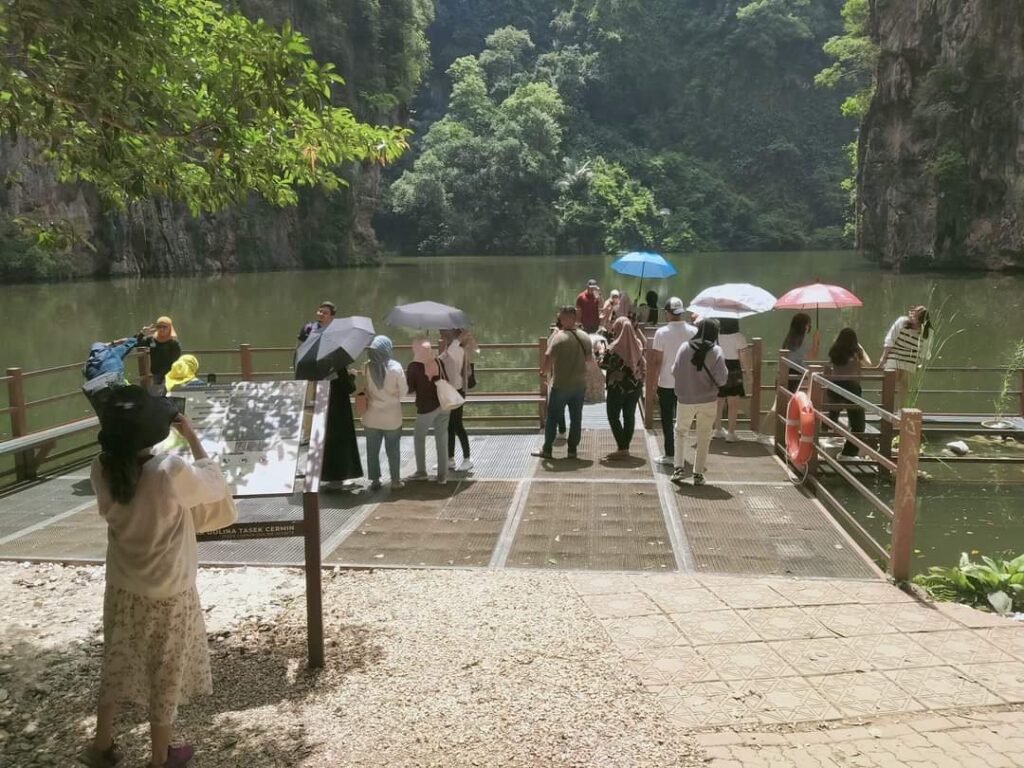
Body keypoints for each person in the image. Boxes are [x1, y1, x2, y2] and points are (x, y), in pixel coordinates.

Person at [80, 386, 234, 768]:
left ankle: (102, 745)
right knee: (165, 668)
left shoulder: (100, 468)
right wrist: (194, 438)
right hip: (169, 588)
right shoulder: (168, 470)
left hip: (122, 583)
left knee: (116, 658)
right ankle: (160, 757)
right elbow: (213, 485)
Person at [297, 302, 363, 487]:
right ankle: (336, 476)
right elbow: (343, 382)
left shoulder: (328, 348)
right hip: (333, 399)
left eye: (324, 312)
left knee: (330, 436)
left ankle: (331, 475)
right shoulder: (318, 339)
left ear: (332, 315)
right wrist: (348, 376)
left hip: (328, 396)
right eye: (319, 311)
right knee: (335, 438)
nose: (320, 314)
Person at [671, 318, 728, 487]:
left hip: (686, 398)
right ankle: (698, 473)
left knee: (681, 432)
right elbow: (722, 380)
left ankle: (678, 468)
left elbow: (674, 371)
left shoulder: (684, 347)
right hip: (708, 400)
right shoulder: (717, 351)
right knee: (704, 436)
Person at [533, 306, 592, 460]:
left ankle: (547, 450)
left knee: (552, 418)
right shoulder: (585, 337)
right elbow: (589, 361)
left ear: (566, 319)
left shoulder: (559, 338)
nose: (559, 320)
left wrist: (543, 373)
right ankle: (572, 450)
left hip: (561, 386)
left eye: (561, 318)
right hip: (579, 386)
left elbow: (548, 360)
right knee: (576, 418)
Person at [650, 297, 696, 465]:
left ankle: (670, 454)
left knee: (667, 419)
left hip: (667, 383)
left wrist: (653, 385)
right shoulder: (693, 332)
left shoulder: (661, 333)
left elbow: (656, 362)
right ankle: (681, 454)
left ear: (667, 313)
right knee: (683, 420)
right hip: (687, 383)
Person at [361, 336, 405, 490]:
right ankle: (395, 480)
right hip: (392, 417)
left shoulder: (366, 367)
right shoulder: (395, 367)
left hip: (371, 416)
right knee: (393, 450)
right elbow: (404, 392)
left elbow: (365, 387)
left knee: (372, 450)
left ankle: (375, 480)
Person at [599, 316, 646, 456]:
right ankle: (624, 446)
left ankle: (623, 447)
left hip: (617, 388)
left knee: (613, 416)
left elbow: (603, 364)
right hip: (635, 386)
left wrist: (601, 351)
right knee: (629, 415)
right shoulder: (637, 345)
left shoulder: (614, 348)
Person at [406, 339, 450, 484]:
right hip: (443, 405)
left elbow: (410, 389)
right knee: (442, 440)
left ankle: (421, 471)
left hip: (426, 408)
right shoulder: (438, 362)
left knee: (419, 437)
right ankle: (442, 475)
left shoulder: (413, 366)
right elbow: (446, 380)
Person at [827, 328, 873, 458]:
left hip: (834, 388)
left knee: (832, 415)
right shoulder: (856, 352)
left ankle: (828, 434)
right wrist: (861, 348)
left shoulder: (834, 351)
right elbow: (869, 364)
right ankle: (848, 453)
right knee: (858, 425)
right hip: (851, 389)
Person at [879, 305, 932, 411]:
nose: (912, 317)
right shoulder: (902, 322)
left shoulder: (926, 331)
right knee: (893, 382)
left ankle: (900, 411)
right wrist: (883, 358)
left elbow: (925, 351)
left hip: (910, 361)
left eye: (915, 317)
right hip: (895, 356)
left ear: (921, 320)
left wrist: (919, 364)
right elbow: (890, 339)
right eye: (913, 314)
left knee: (903, 387)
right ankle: (887, 410)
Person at [440, 328, 478, 472]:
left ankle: (467, 458)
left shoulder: (456, 349)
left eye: (443, 330)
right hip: (451, 390)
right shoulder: (451, 347)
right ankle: (450, 459)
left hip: (456, 391)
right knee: (449, 426)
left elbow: (448, 363)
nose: (440, 332)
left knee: (457, 425)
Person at [713, 318, 749, 442]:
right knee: (733, 402)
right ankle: (731, 432)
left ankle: (717, 429)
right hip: (734, 368)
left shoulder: (716, 336)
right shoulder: (739, 337)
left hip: (719, 367)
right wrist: (749, 373)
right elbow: (743, 358)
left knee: (719, 400)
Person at [136, 317, 182, 394]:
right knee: (157, 396)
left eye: (164, 327)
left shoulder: (173, 342)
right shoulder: (152, 339)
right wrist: (142, 333)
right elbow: (138, 343)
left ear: (170, 328)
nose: (161, 329)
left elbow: (176, 359)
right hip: (156, 373)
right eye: (159, 327)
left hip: (169, 374)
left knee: (169, 395)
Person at [782, 313, 818, 391]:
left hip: (787, 371)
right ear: (804, 326)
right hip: (796, 373)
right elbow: (812, 356)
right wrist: (815, 340)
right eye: (808, 324)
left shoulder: (789, 338)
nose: (809, 327)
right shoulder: (801, 340)